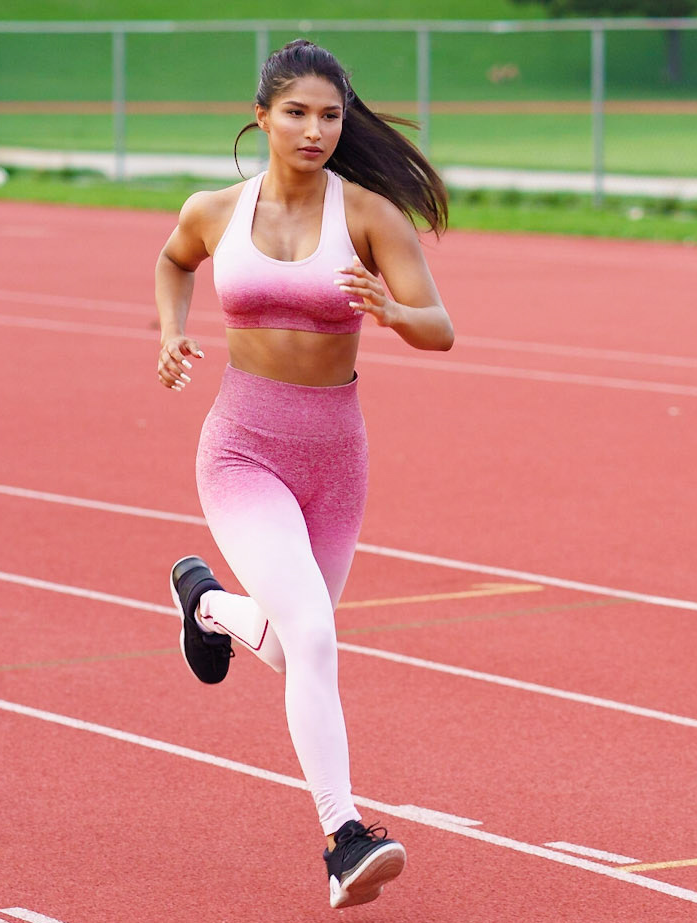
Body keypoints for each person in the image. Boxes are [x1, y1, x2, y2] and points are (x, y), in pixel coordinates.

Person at [154, 39, 453, 910]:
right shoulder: (215, 209)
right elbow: (175, 260)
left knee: (289, 644)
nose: (314, 129)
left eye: (330, 115)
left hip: (335, 458)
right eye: (296, 113)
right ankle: (345, 833)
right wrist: (171, 331)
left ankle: (204, 603)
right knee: (316, 637)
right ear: (262, 116)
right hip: (244, 447)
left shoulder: (367, 215)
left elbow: (441, 327)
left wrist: (393, 312)